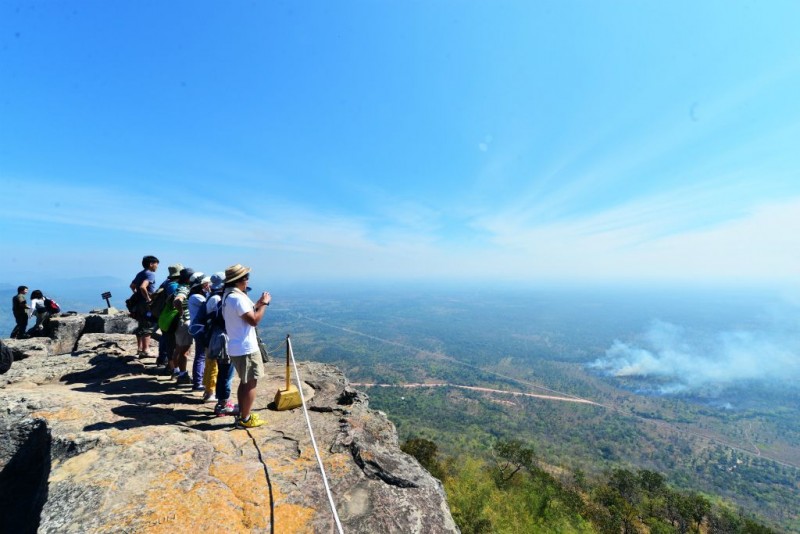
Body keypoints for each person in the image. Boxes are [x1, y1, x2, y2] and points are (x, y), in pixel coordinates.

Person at [221, 264, 271, 428]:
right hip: (246, 347)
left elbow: (244, 315)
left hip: (236, 346)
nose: (248, 280)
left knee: (245, 382)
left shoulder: (229, 296)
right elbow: (254, 320)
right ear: (239, 280)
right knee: (250, 383)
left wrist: (256, 305)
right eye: (246, 277)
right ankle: (245, 419)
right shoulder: (238, 298)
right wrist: (264, 304)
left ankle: (243, 414)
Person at [129, 255, 159, 358]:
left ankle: (139, 349)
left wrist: (137, 295)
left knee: (141, 324)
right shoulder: (150, 274)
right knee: (149, 324)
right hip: (146, 305)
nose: (157, 267)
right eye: (156, 264)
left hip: (138, 304)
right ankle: (146, 350)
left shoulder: (140, 273)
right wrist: (148, 299)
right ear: (151, 264)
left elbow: (132, 286)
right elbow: (143, 287)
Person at [186, 272, 210, 392]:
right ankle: (198, 382)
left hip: (198, 328)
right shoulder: (197, 297)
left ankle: (199, 381)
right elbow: (210, 305)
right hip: (201, 329)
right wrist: (211, 291)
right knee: (201, 356)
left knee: (201, 355)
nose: (208, 285)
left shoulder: (195, 296)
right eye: (206, 284)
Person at [170, 267, 195, 384]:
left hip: (179, 323)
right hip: (184, 323)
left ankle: (176, 371)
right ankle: (183, 375)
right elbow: (177, 301)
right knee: (184, 351)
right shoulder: (184, 288)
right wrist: (182, 315)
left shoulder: (178, 286)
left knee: (178, 349)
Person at [155, 263, 182, 368]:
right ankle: (170, 366)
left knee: (166, 338)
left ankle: (163, 359)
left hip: (164, 316)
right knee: (171, 342)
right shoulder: (174, 286)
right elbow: (176, 302)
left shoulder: (167, 283)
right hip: (171, 317)